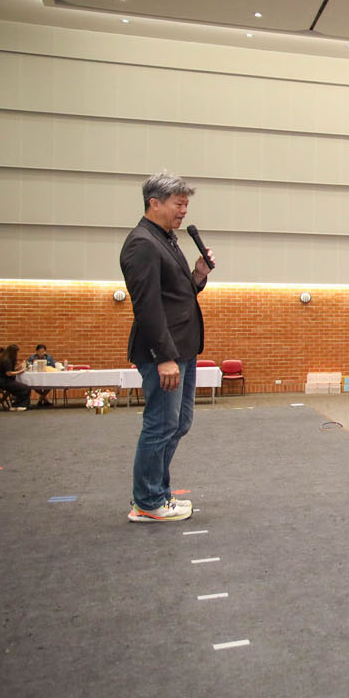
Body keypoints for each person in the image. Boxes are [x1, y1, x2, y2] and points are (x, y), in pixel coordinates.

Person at [119, 171, 213, 523]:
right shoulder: (142, 243)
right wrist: (164, 357)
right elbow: (147, 306)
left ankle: (158, 494)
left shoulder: (166, 239)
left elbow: (175, 296)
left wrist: (198, 275)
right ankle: (147, 502)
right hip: (164, 352)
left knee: (178, 423)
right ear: (154, 203)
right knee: (160, 425)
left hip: (182, 349)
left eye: (186, 205)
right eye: (178, 204)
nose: (183, 211)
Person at [0, 343, 31, 411]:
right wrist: (21, 371)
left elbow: (8, 370)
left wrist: (17, 368)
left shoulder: (5, 358)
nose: (17, 354)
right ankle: (20, 405)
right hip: (3, 381)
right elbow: (9, 373)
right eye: (16, 352)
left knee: (22, 388)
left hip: (3, 380)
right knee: (26, 388)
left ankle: (16, 405)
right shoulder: (7, 360)